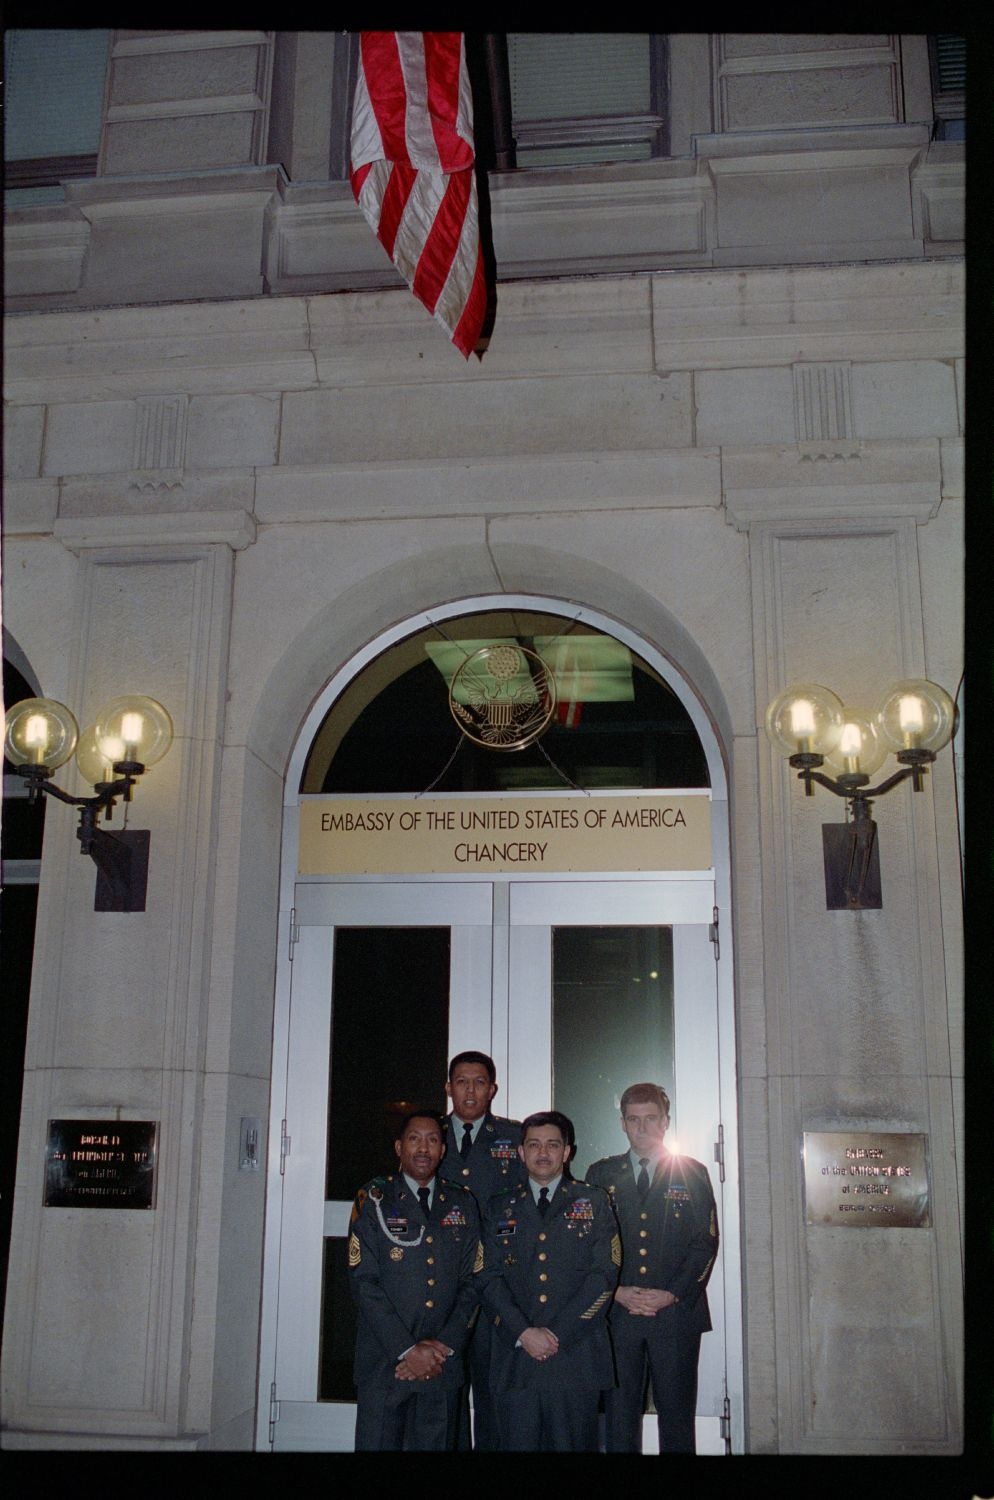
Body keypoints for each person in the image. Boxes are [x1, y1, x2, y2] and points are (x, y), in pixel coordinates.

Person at [586, 1082, 719, 1454]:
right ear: (622, 1123)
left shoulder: (691, 1172)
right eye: (633, 1119)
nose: (642, 1128)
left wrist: (673, 1292)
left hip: (675, 1315)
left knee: (677, 1419)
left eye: (651, 1119)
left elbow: (704, 1241)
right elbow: (589, 1243)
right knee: (619, 1417)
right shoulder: (601, 1174)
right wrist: (615, 1291)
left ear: (666, 1122)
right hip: (618, 1316)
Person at [476, 1110, 619, 1452]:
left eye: (553, 1145)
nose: (543, 1153)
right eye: (534, 1145)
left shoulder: (594, 1201)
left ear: (567, 1152)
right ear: (521, 1152)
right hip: (516, 1358)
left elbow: (604, 1276)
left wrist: (556, 1335)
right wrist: (523, 1332)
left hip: (574, 1357)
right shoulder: (500, 1207)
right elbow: (486, 1276)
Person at [348, 1109, 481, 1450]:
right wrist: (407, 1351)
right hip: (385, 1364)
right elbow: (364, 1282)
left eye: (433, 1140)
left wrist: (440, 1349)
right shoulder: (374, 1199)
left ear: (443, 1150)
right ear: (398, 1147)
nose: (424, 1148)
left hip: (441, 1365)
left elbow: (472, 1283)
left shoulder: (462, 1202)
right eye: (414, 1139)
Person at [437, 1050, 526, 1449]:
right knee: (446, 1390)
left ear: (492, 1089)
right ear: (448, 1087)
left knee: (494, 1392)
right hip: (444, 1283)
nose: (469, 1090)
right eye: (461, 1081)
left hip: (496, 1283)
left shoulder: (515, 1136)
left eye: (478, 1082)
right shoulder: (428, 1134)